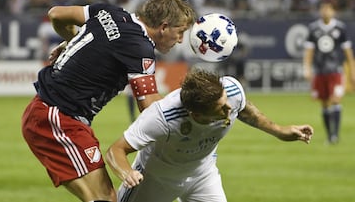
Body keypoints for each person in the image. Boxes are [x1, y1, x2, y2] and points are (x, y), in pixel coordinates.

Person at [21, 0, 196, 202]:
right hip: (57, 119)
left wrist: (74, 40)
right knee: (103, 197)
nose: (180, 40)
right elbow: (150, 107)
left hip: (52, 114)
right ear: (164, 26)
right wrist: (192, 106)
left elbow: (56, 14)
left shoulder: (109, 12)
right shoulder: (139, 47)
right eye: (180, 32)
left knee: (105, 197)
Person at [105, 68, 314, 202]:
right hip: (156, 179)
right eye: (221, 108)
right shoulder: (162, 117)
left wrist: (280, 131)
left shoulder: (231, 91)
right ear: (196, 115)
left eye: (226, 101)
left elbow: (246, 110)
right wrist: (127, 173)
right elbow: (115, 150)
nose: (229, 108)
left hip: (202, 174)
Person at [303, 1, 355, 144]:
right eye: (323, 9)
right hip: (320, 71)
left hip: (336, 71)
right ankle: (329, 135)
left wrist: (352, 71)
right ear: (320, 11)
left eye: (328, 9)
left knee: (336, 99)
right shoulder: (313, 29)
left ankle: (335, 135)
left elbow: (348, 52)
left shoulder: (340, 28)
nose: (325, 12)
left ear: (333, 11)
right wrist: (307, 68)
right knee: (325, 103)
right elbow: (309, 51)